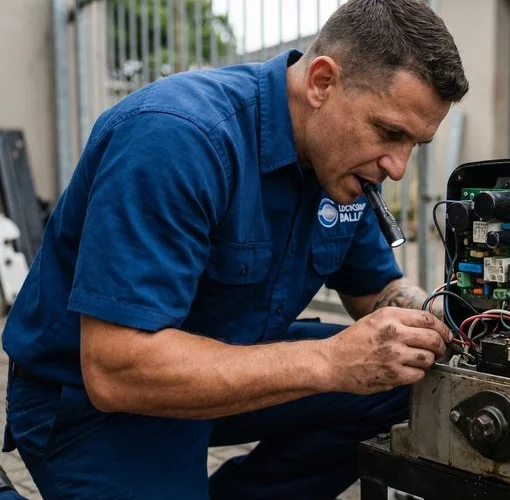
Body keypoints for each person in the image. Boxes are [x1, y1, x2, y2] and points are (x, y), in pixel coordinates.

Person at [1, 1, 469, 498]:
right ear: (322, 83)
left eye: (414, 144)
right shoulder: (177, 138)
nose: (397, 167)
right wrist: (330, 361)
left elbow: (375, 290)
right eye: (389, 132)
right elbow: (117, 370)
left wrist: (445, 319)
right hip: (97, 399)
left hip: (233, 359)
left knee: (407, 377)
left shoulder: (344, 170)